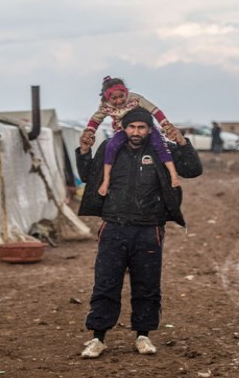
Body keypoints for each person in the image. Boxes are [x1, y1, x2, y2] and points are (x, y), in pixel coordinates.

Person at [75, 107, 203, 359]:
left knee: (147, 285)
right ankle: (97, 339)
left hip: (149, 228)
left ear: (149, 129)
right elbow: (87, 175)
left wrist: (183, 142)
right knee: (106, 283)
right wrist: (83, 151)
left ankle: (143, 336)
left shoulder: (161, 149)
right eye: (132, 127)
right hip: (114, 227)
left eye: (141, 127)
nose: (136, 132)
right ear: (124, 128)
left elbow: (192, 169)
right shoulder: (110, 147)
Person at [80, 77, 181, 197]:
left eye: (121, 96)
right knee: (111, 147)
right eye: (114, 98)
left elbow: (155, 111)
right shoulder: (105, 106)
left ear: (126, 92)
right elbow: (95, 121)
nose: (119, 101)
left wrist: (166, 125)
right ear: (107, 98)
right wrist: (89, 132)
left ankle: (173, 175)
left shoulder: (135, 99)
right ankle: (106, 180)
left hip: (143, 126)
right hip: (123, 129)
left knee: (160, 144)